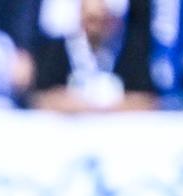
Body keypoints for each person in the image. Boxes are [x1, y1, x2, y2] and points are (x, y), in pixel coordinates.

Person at [28, 0, 157, 113]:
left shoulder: (130, 50)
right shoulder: (58, 48)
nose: (96, 28)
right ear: (80, 15)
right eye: (91, 20)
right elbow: (39, 98)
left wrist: (103, 108)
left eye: (102, 20)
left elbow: (147, 100)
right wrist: (79, 106)